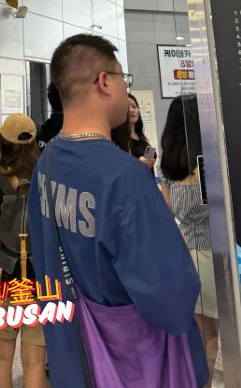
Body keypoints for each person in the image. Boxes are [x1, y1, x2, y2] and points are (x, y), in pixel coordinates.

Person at [28, 34, 209, 388]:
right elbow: (172, 297)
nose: (127, 89)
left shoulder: (46, 162)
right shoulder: (125, 177)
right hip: (138, 363)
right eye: (124, 78)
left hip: (73, 352)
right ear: (104, 82)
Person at [0, 114, 49, 388]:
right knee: (35, 360)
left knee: (1, 357)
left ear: (3, 143)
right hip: (40, 275)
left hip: (0, 274)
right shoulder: (48, 176)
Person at [157, 94, 218, 385]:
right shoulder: (211, 164)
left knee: (198, 333)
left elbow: (167, 212)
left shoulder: (167, 166)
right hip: (215, 255)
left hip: (184, 256)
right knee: (212, 338)